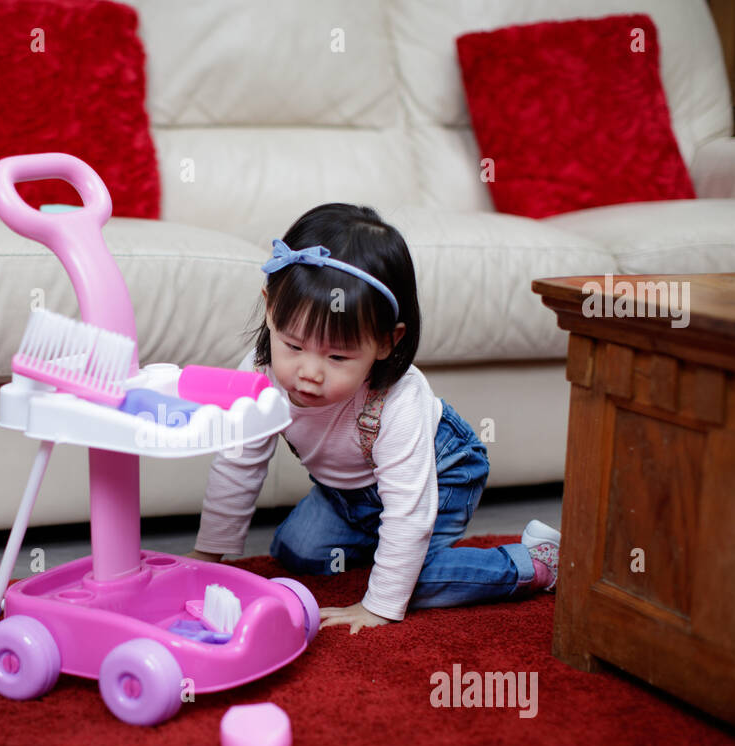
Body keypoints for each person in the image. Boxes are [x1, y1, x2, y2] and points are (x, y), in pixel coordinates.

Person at [187, 203, 560, 634]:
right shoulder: (257, 374)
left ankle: (533, 563)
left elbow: (407, 509)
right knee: (297, 552)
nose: (309, 372)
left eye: (338, 355)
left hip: (442, 476)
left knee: (407, 584)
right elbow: (239, 464)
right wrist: (207, 556)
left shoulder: (398, 401)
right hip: (347, 494)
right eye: (293, 345)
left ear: (387, 342)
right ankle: (388, 551)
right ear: (270, 308)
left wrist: (379, 605)